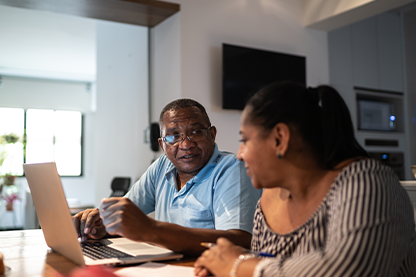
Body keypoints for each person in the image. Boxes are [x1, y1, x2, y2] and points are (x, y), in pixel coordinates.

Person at [194, 81, 416, 276]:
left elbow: (347, 269)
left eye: (245, 140)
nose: (240, 154)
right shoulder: (269, 197)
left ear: (280, 139)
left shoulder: (368, 184)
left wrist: (240, 267)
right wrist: (225, 267)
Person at [73, 99, 262, 256]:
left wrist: (152, 229)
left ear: (211, 135)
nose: (186, 144)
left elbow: (240, 241)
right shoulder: (163, 166)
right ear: (162, 145)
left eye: (195, 132)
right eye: (174, 136)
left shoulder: (232, 169)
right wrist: (101, 226)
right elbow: (126, 218)